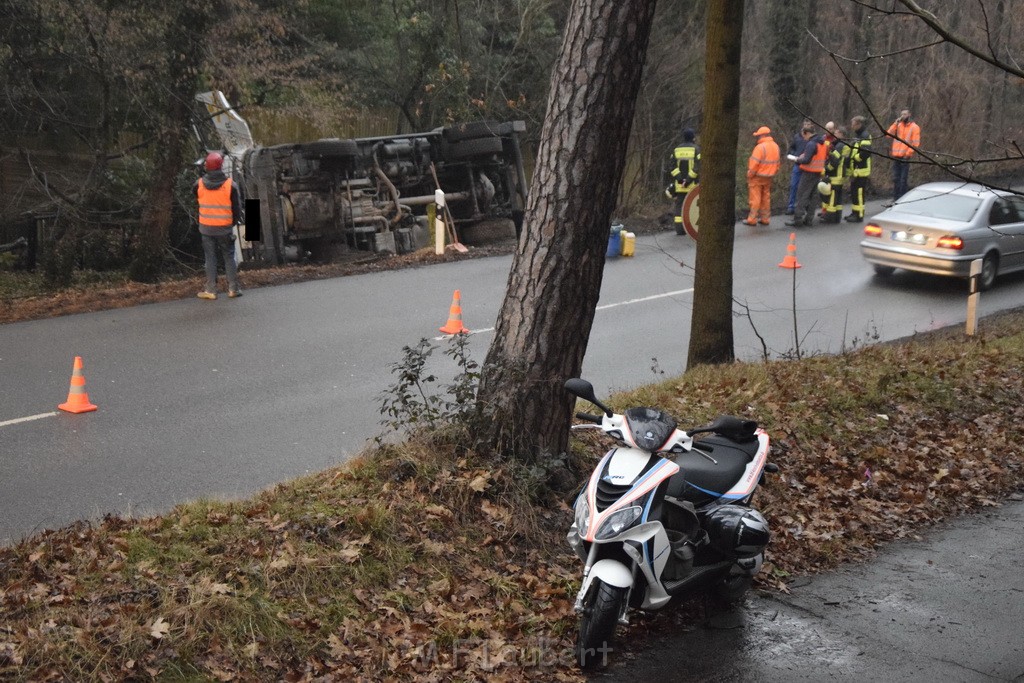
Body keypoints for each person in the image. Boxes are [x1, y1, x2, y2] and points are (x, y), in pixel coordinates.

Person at [195, 151, 242, 300]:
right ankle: (233, 289)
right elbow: (237, 209)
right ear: (221, 166)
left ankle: (211, 290)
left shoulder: (199, 183)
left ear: (206, 166)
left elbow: (195, 196)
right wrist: (232, 223)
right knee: (228, 257)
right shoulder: (230, 185)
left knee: (210, 258)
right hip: (224, 228)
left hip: (206, 228)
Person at [785, 125, 827, 227]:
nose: (803, 138)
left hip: (808, 172)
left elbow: (807, 160)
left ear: (806, 133)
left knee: (802, 195)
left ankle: (797, 219)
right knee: (813, 197)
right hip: (818, 172)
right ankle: (809, 219)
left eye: (803, 136)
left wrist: (797, 159)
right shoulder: (822, 143)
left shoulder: (811, 144)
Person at [743, 126, 780, 226]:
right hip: (769, 177)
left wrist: (750, 174)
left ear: (762, 135)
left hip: (757, 177)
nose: (757, 138)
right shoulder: (775, 146)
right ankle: (765, 219)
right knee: (766, 198)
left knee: (755, 199)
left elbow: (754, 164)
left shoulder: (760, 148)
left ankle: (752, 219)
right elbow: (777, 163)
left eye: (758, 136)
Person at [666, 128, 700, 235]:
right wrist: (688, 180)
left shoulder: (677, 150)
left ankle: (680, 230)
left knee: (679, 207)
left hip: (679, 186)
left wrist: (680, 179)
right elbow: (698, 167)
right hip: (693, 186)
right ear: (693, 137)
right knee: (693, 207)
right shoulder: (696, 149)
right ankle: (693, 227)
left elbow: (672, 167)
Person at [887, 108, 920, 201]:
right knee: (896, 178)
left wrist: (908, 154)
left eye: (905, 114)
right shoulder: (898, 125)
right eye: (902, 114)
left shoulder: (914, 127)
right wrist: (895, 123)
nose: (903, 116)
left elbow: (915, 143)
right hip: (896, 156)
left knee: (903, 180)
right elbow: (888, 134)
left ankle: (902, 198)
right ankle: (895, 198)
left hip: (905, 157)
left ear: (909, 115)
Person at [820, 125, 850, 224]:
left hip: (836, 175)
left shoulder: (839, 146)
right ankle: (837, 217)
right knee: (838, 199)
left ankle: (830, 218)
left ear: (841, 134)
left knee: (832, 197)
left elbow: (834, 162)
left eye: (836, 133)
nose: (834, 134)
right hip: (841, 175)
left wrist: (827, 170)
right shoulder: (844, 145)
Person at [845, 115, 872, 222]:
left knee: (859, 193)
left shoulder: (865, 135)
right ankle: (854, 212)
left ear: (859, 124)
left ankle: (859, 215)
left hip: (861, 170)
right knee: (854, 193)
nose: (852, 126)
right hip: (855, 170)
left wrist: (855, 158)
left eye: (853, 124)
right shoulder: (858, 135)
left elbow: (865, 152)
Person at [785, 119, 812, 214]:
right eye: (805, 124)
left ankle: (800, 207)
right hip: (797, 164)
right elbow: (791, 148)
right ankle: (791, 207)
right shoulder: (797, 136)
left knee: (804, 188)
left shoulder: (812, 138)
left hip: (808, 165)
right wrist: (794, 155)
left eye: (808, 124)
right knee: (793, 186)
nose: (806, 125)